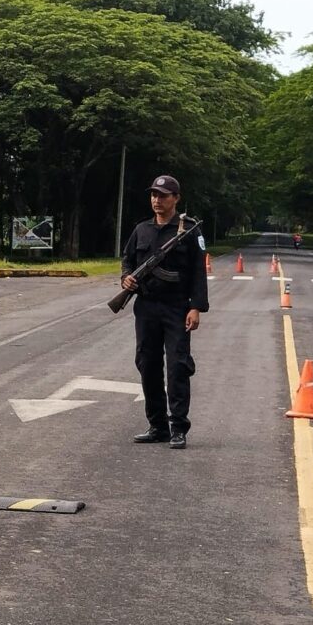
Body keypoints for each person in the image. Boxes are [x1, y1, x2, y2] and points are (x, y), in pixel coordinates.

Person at [120, 174, 209, 450]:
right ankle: (157, 425)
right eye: (154, 195)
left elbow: (198, 271)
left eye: (163, 195)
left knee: (177, 367)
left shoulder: (189, 230)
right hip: (146, 307)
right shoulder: (142, 229)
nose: (157, 200)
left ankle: (178, 428)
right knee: (147, 364)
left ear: (176, 199)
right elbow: (128, 259)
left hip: (176, 307)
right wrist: (126, 278)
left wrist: (196, 307)